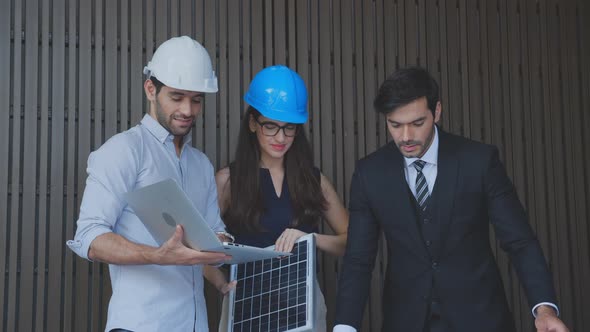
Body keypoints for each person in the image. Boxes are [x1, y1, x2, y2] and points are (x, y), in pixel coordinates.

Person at [333, 67, 569, 332]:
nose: (406, 136)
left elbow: (520, 241)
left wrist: (545, 309)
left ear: (437, 112)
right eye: (395, 125)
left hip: (481, 320)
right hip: (407, 321)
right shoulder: (370, 173)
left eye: (417, 123)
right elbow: (358, 259)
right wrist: (345, 326)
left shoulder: (479, 161)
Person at [66, 36, 233, 332]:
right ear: (151, 89)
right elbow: (90, 237)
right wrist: (157, 256)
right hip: (138, 325)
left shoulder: (201, 166)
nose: (188, 110)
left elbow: (211, 236)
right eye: (177, 97)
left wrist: (222, 246)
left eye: (196, 100)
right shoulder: (123, 151)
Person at [205, 65, 349, 331]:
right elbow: (199, 248)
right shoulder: (227, 181)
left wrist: (310, 239)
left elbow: (350, 241)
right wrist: (220, 282)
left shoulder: (314, 181)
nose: (281, 137)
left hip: (303, 308)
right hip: (245, 309)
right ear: (252, 123)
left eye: (289, 128)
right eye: (271, 126)